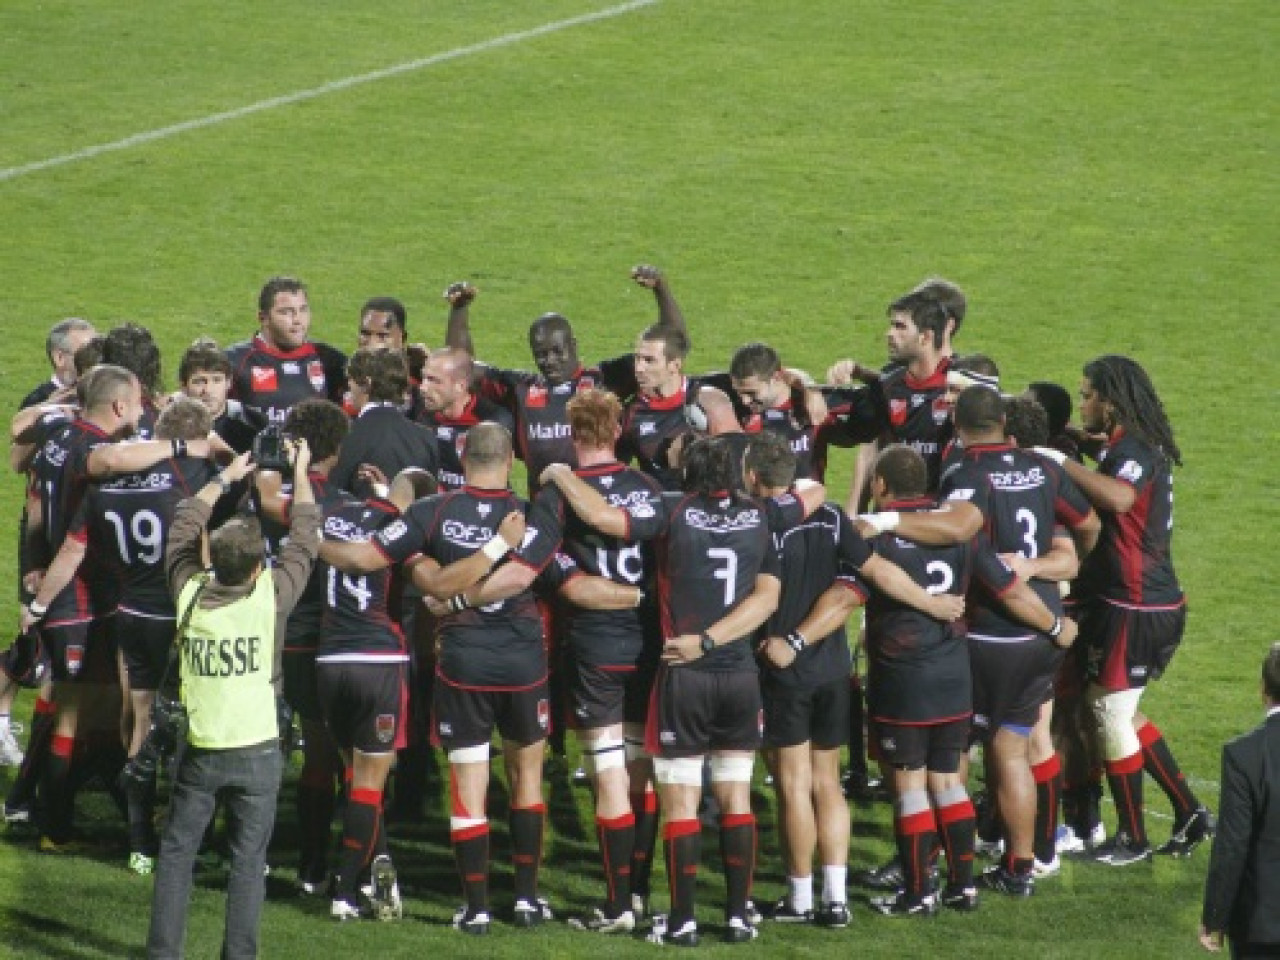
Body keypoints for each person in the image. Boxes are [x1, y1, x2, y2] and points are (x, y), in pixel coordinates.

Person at [321, 422, 558, 934]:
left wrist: (311, 543)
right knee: (527, 780)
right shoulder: (533, 515)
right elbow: (519, 577)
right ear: (512, 458)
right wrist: (496, 551)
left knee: (468, 785)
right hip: (522, 665)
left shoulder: (431, 513)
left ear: (462, 453)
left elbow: (384, 564)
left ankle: (474, 909)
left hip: (463, 663)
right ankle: (525, 901)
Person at [862, 386, 1099, 895]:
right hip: (1044, 627)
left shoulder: (968, 471)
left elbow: (960, 527)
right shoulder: (1043, 467)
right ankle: (1020, 866)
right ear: (1005, 424)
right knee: (1012, 747)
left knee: (952, 751)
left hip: (994, 629)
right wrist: (1048, 572)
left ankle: (927, 863)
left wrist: (884, 519)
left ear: (958, 428)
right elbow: (1088, 524)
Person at [745, 433, 964, 928]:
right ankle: (837, 899)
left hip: (785, 670)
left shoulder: (756, 525)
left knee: (792, 784)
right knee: (828, 783)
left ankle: (801, 899)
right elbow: (876, 570)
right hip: (834, 670)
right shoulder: (830, 518)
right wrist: (933, 603)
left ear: (752, 477)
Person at [21, 365, 227, 850]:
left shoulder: (56, 434)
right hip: (80, 595)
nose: (141, 414)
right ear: (117, 407)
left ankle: (73, 804)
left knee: (100, 708)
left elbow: (32, 502)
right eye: (137, 404)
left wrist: (32, 568)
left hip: (65, 584)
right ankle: (53, 823)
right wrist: (184, 448)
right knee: (78, 713)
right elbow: (108, 461)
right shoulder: (96, 451)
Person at [146, 442, 320, 960]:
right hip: (260, 749)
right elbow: (306, 536)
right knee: (249, 863)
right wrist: (302, 472)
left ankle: (163, 953)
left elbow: (181, 528)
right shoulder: (270, 597)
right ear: (256, 568)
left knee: (177, 856)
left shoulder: (189, 592)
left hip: (200, 749)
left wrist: (224, 478)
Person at [1040, 355, 1214, 865]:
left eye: (1089, 393)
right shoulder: (1128, 441)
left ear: (1111, 402)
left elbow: (1118, 497)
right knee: (1116, 711)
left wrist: (1058, 461)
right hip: (1135, 599)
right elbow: (1104, 455)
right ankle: (1188, 812)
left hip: (1136, 603)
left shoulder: (1134, 449)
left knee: (1106, 712)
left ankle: (1133, 838)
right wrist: (1062, 436)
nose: (1084, 400)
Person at [1199, 643, 1280, 957]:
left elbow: (1233, 842)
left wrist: (1215, 916)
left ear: (1263, 690)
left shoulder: (1244, 755)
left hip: (1263, 923)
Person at [225, 276, 347, 424]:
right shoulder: (235, 361)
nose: (298, 320)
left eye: (303, 310)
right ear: (263, 318)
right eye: (286, 312)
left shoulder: (329, 359)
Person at [328, 347, 439, 499]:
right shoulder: (426, 437)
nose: (349, 389)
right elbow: (429, 502)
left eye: (350, 381)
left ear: (367, 383)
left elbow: (332, 494)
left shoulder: (346, 434)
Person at [413, 346, 513, 491]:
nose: (423, 387)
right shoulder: (421, 414)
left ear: (460, 386)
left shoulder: (492, 421)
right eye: (423, 378)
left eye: (433, 380)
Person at [179, 339, 269, 454]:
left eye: (217, 380)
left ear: (228, 383)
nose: (208, 390)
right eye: (199, 381)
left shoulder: (254, 423)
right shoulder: (168, 426)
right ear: (184, 387)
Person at [20, 318, 97, 410]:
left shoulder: (107, 392)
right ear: (59, 358)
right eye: (86, 353)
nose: (97, 359)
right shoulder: (37, 403)